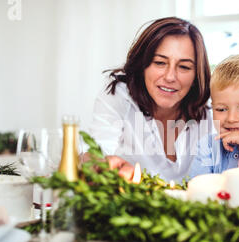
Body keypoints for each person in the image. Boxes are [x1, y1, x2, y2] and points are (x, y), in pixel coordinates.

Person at [86, 17, 214, 182]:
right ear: (143, 65)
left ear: (197, 75)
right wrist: (98, 163)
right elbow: (95, 153)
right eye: (160, 62)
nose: (170, 77)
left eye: (184, 67)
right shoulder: (120, 95)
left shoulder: (210, 112)